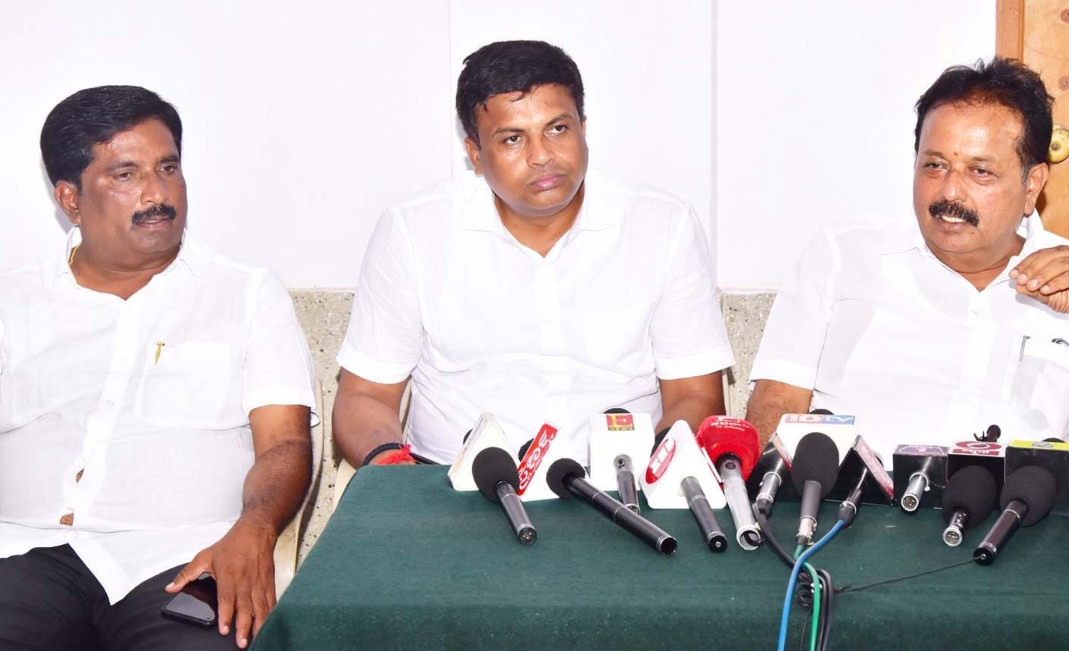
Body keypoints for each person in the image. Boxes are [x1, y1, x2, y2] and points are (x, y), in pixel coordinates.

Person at [0, 86, 316, 650]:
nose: (158, 193)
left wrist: (256, 528)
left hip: (183, 558)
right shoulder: (13, 301)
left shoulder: (246, 294)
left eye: (168, 168)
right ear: (70, 199)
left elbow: (285, 444)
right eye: (125, 175)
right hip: (20, 552)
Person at [745, 58, 1069, 467]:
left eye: (980, 172)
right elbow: (773, 412)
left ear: (1032, 184)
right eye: (935, 165)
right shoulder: (841, 257)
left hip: (1018, 508)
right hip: (852, 503)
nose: (949, 192)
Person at [333, 40, 732, 467]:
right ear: (475, 155)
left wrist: (656, 475)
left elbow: (695, 395)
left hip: (622, 484)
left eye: (557, 129)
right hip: (451, 483)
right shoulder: (413, 231)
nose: (542, 157)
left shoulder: (663, 225)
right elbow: (364, 396)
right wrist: (394, 470)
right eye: (512, 139)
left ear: (583, 128)